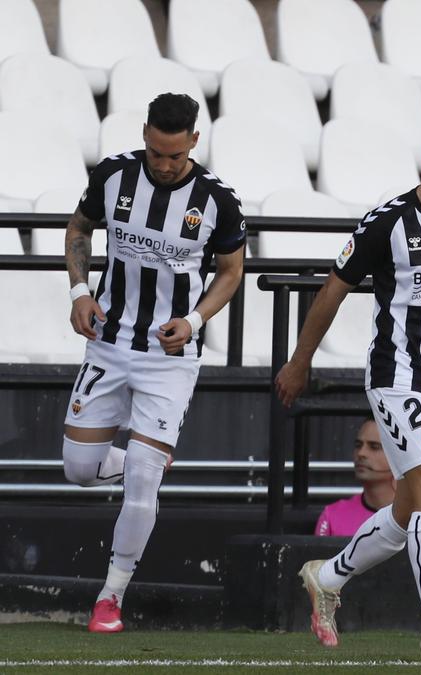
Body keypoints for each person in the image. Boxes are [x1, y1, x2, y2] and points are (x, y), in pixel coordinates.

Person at [275, 112, 421, 653]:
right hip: (396, 377)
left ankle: (327, 578)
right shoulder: (388, 223)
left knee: (408, 509)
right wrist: (299, 360)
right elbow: (332, 290)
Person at [62, 93, 246, 633]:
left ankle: (110, 597)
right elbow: (79, 229)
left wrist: (194, 318)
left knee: (142, 480)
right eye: (156, 153)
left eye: (174, 155)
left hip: (171, 356)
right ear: (146, 134)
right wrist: (78, 289)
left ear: (193, 140)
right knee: (78, 469)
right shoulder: (113, 175)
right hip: (109, 341)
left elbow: (232, 271)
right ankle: (145, 456)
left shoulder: (217, 199)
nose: (164, 166)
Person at [315, 419, 421, 538]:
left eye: (374, 447)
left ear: (400, 455)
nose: (361, 453)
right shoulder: (332, 516)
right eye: (358, 445)